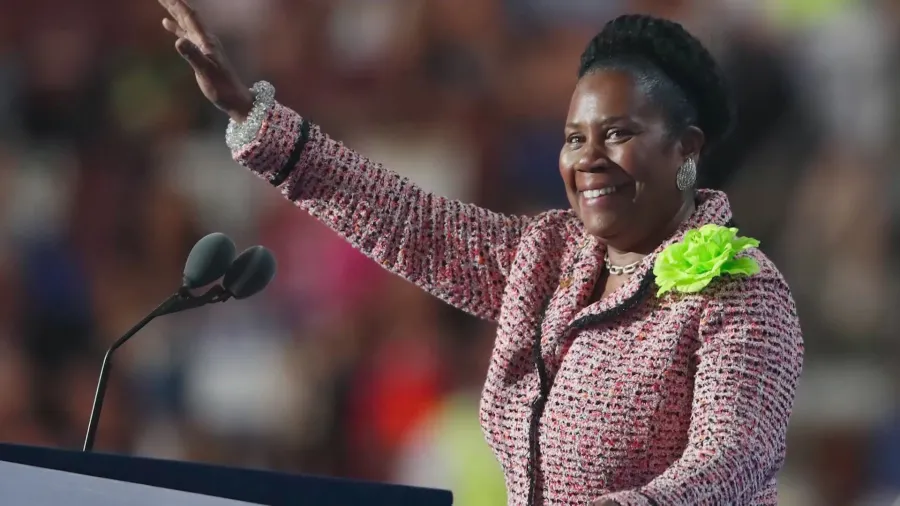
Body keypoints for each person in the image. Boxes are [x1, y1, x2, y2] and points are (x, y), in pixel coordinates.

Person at [157, 1, 805, 504]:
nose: (588, 160)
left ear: (686, 150)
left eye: (618, 134)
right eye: (574, 138)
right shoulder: (548, 258)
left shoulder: (741, 294)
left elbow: (729, 463)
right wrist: (252, 116)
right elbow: (412, 225)